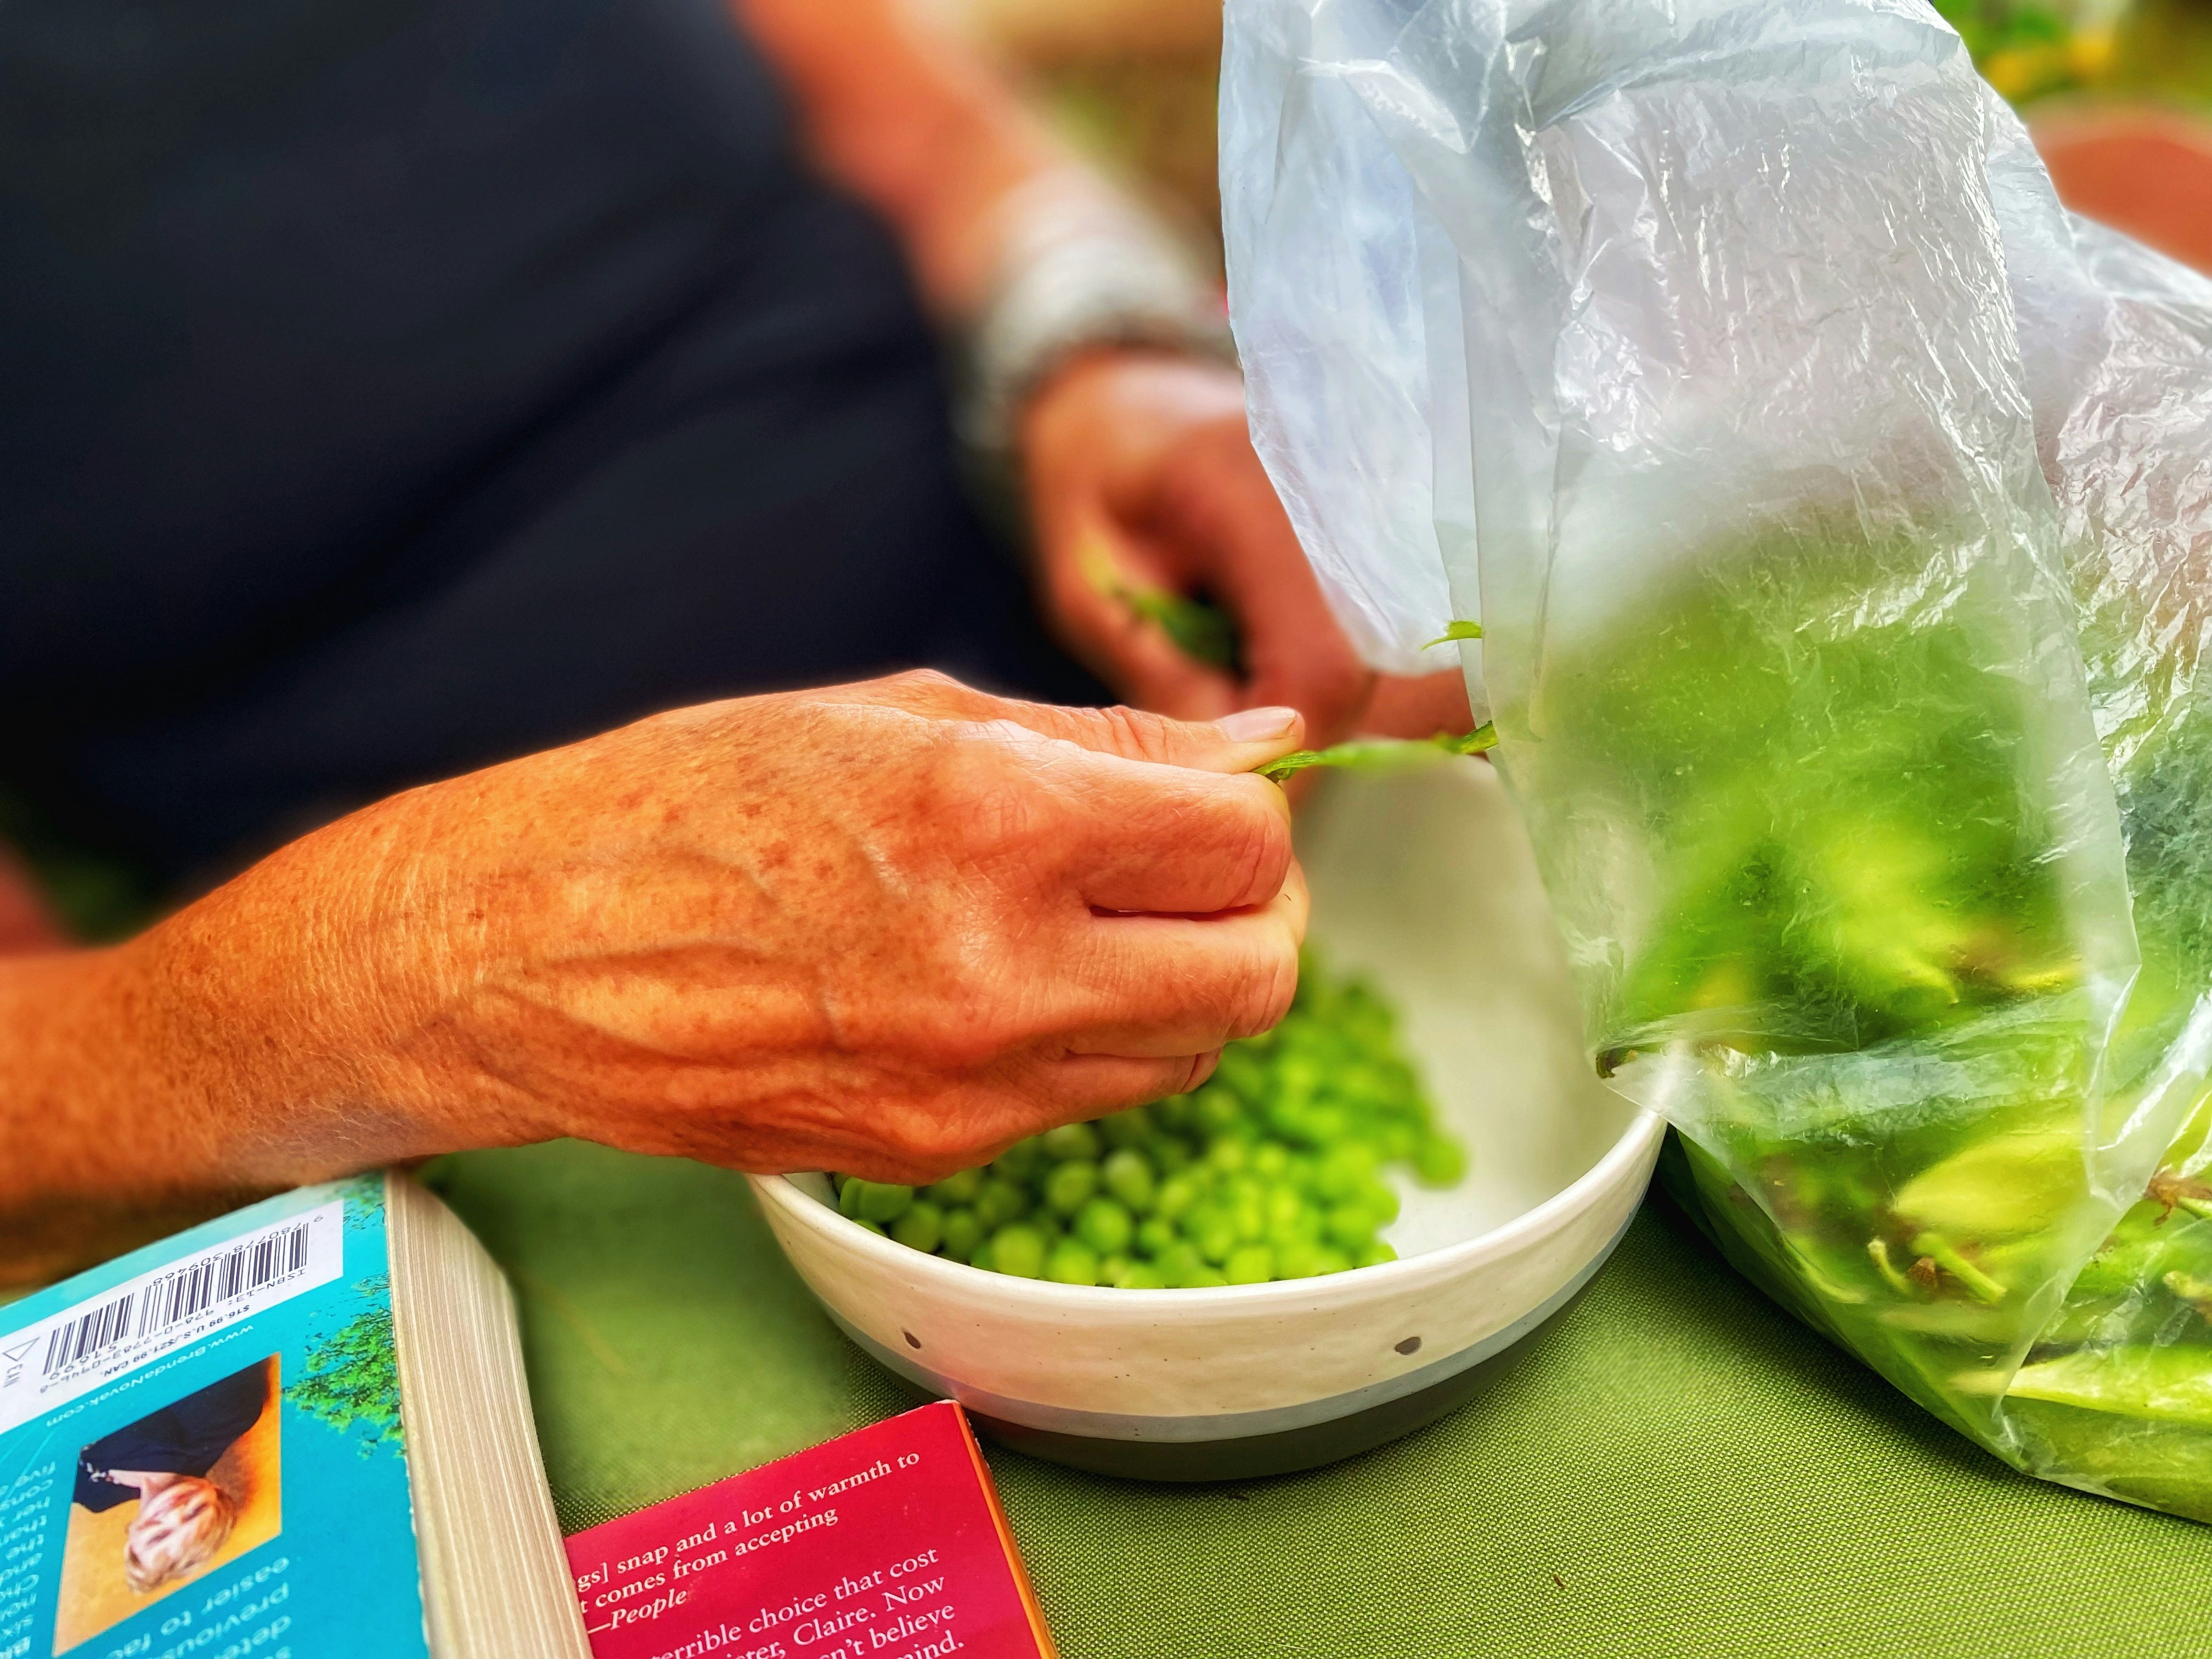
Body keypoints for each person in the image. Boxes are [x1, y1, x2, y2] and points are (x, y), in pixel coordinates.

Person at [0, 0, 1466, 1280]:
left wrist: (1100, 355)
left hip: (1089, 690)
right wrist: (465, 955)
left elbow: (942, 141)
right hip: (500, 1130)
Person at [74, 1364, 269, 1593]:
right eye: (196, 1512)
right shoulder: (226, 1412)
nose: (176, 1513)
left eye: (158, 1537)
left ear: (131, 1544)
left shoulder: (93, 1497)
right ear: (217, 1493)